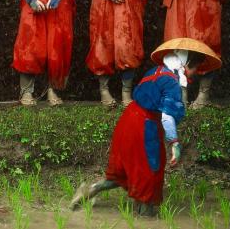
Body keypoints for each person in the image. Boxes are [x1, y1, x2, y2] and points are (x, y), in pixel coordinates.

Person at [70, 38, 221, 215]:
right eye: (195, 68)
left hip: (127, 120)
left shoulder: (155, 71)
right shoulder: (172, 82)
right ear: (186, 64)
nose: (195, 73)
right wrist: (174, 143)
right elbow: (166, 117)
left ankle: (91, 189)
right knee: (151, 171)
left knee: (126, 170)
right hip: (144, 127)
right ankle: (145, 216)